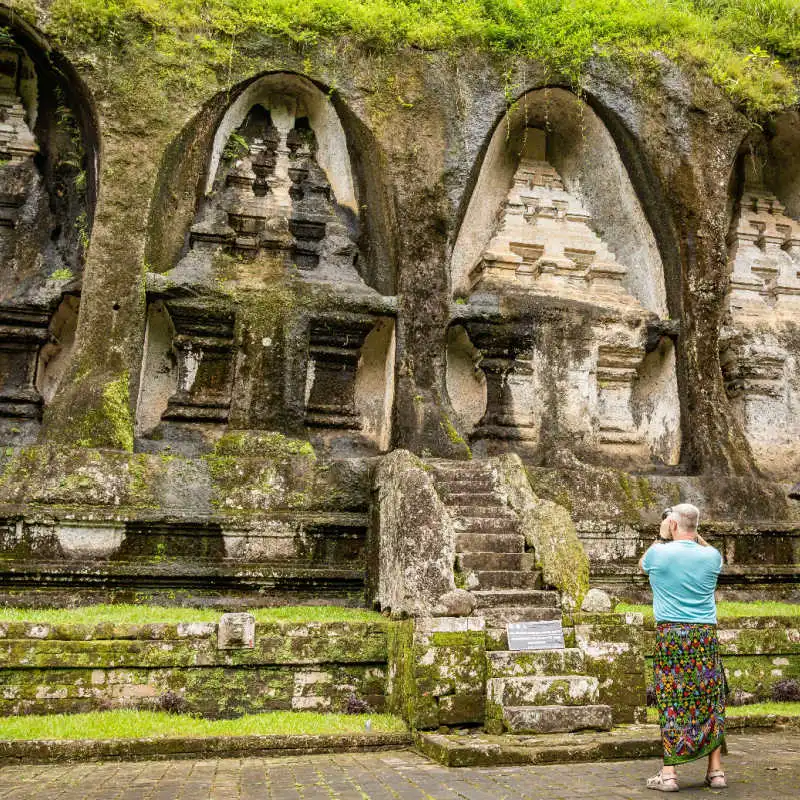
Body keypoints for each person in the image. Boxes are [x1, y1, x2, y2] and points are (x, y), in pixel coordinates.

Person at [639, 503, 726, 792]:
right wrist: (689, 531)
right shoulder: (712, 557)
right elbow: (705, 548)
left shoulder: (657, 553)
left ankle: (669, 775)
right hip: (704, 636)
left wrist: (665, 536)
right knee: (710, 701)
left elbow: (643, 565)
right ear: (696, 526)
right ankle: (716, 773)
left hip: (671, 635)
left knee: (672, 700)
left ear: (672, 525)